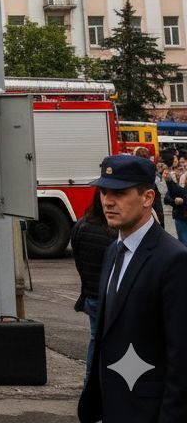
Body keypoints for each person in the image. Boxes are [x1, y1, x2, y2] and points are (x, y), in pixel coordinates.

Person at [78, 154, 187, 423]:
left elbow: (182, 357)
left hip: (147, 411)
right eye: (104, 191)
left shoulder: (173, 259)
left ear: (148, 198)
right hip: (112, 408)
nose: (107, 201)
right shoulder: (113, 251)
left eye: (119, 192)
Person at [71, 186, 116, 382]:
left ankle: (90, 382)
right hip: (109, 298)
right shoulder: (112, 232)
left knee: (95, 339)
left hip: (90, 295)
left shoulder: (81, 225)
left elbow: (78, 259)